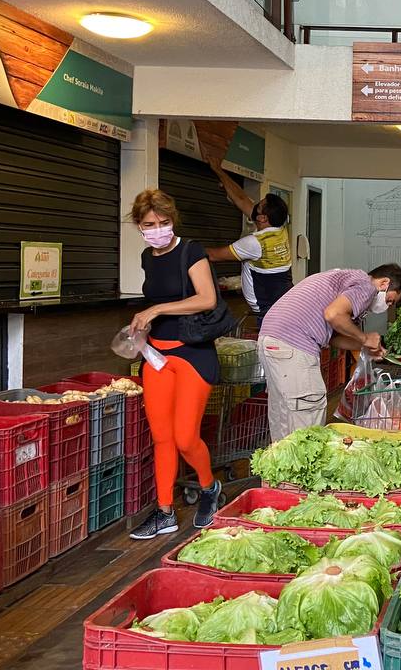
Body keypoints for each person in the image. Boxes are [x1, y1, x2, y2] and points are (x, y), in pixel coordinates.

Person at [127, 188, 223, 539]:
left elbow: (207, 298)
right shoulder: (147, 257)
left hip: (192, 354)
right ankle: (164, 510)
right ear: (139, 225)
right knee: (162, 438)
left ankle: (210, 487)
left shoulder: (190, 250)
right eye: (149, 223)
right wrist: (143, 326)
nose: (157, 228)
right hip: (156, 356)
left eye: (164, 222)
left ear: (173, 220)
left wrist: (156, 309)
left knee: (185, 437)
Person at [258, 265, 401, 440]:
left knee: (284, 415)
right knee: (308, 415)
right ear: (384, 283)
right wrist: (364, 338)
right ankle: (305, 466)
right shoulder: (366, 285)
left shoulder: (344, 280)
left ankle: (282, 464)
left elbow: (332, 337)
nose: (387, 305)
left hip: (272, 340)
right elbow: (333, 314)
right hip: (294, 343)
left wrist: (364, 345)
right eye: (390, 301)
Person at [204, 160, 293, 324]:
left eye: (259, 205)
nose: (255, 204)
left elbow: (212, 255)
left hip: (269, 313)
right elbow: (242, 198)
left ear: (263, 218)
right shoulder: (280, 229)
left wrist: (177, 249)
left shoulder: (255, 243)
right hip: (285, 305)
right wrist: (219, 171)